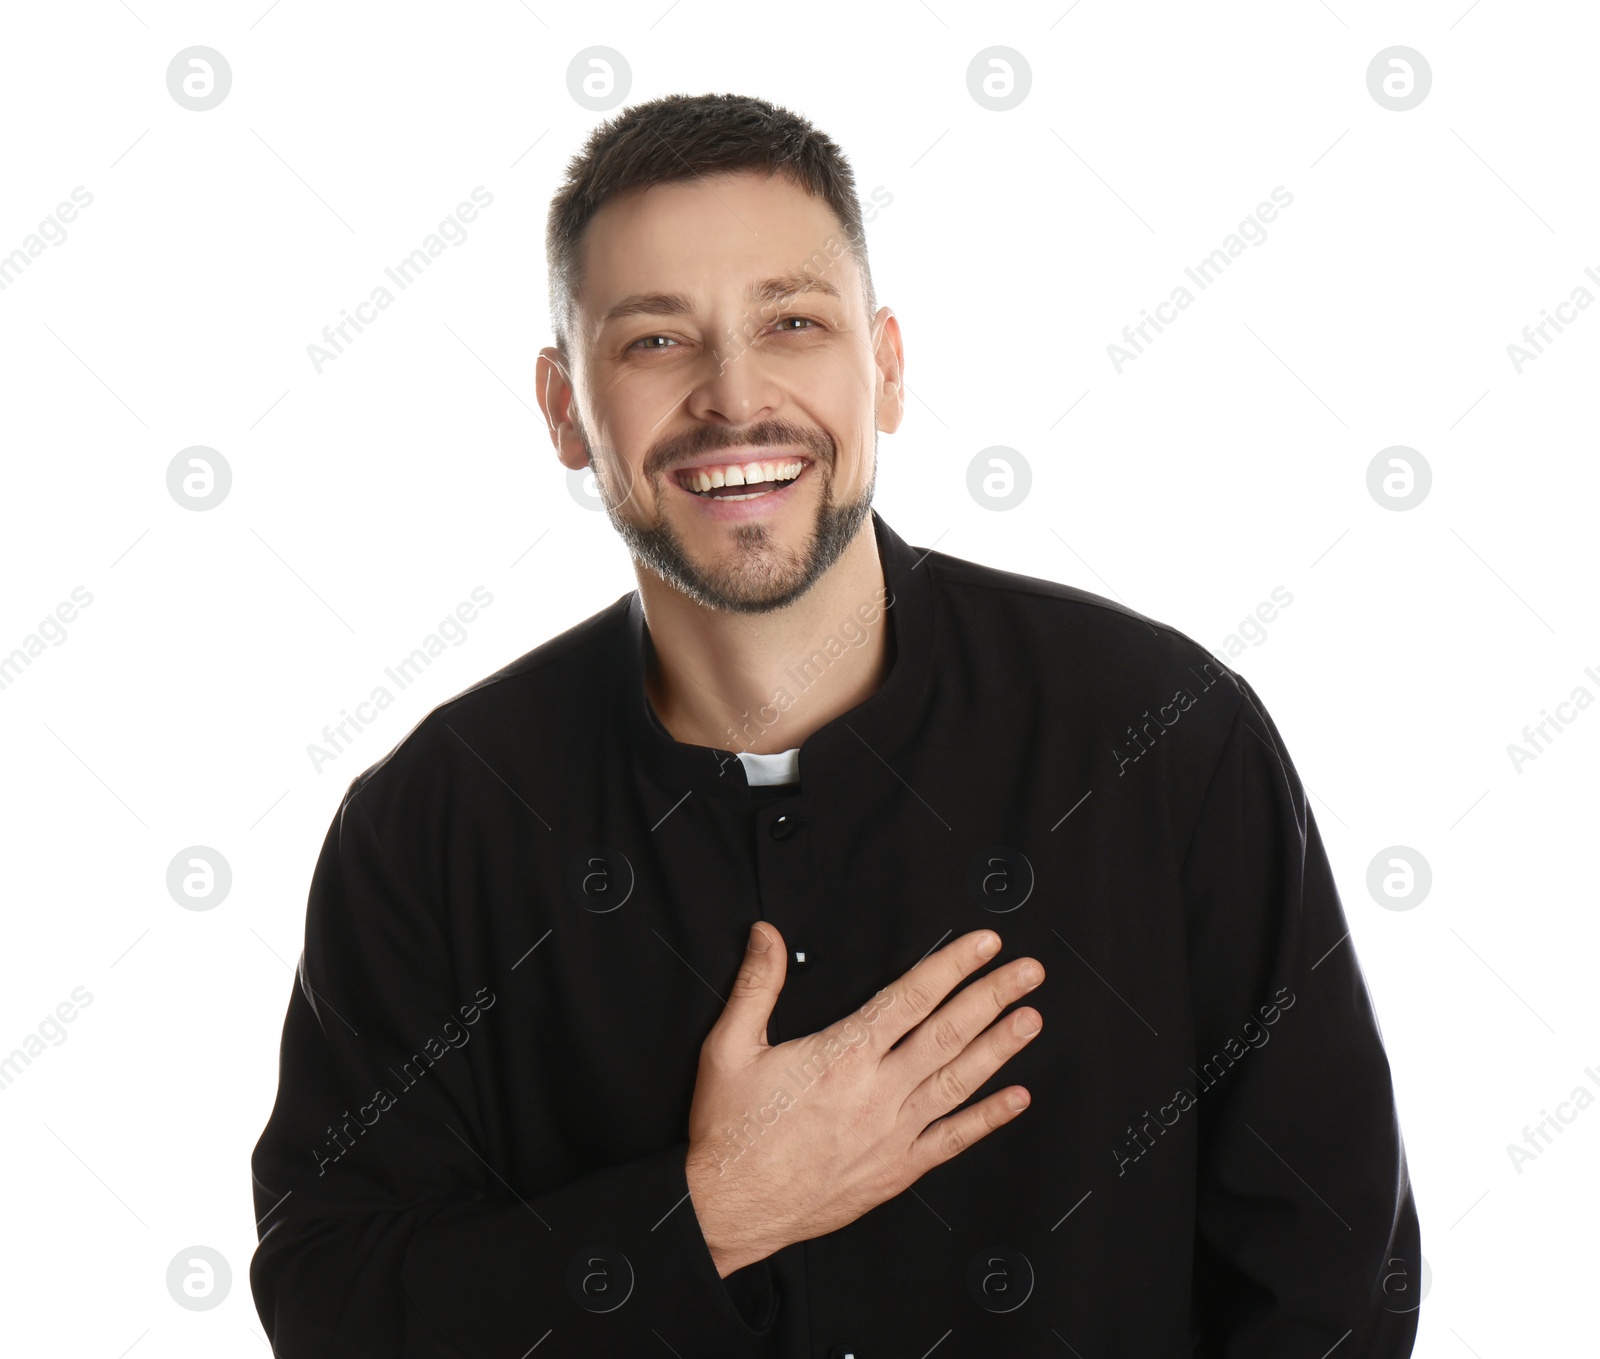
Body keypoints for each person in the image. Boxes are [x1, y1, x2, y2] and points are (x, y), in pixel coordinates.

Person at [250, 92, 1421, 1357]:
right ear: (565, 409)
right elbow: (337, 1305)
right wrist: (710, 1213)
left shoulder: (1159, 737)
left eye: (792, 324)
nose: (733, 397)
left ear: (888, 368)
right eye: (655, 342)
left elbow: (1328, 1278)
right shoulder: (434, 825)